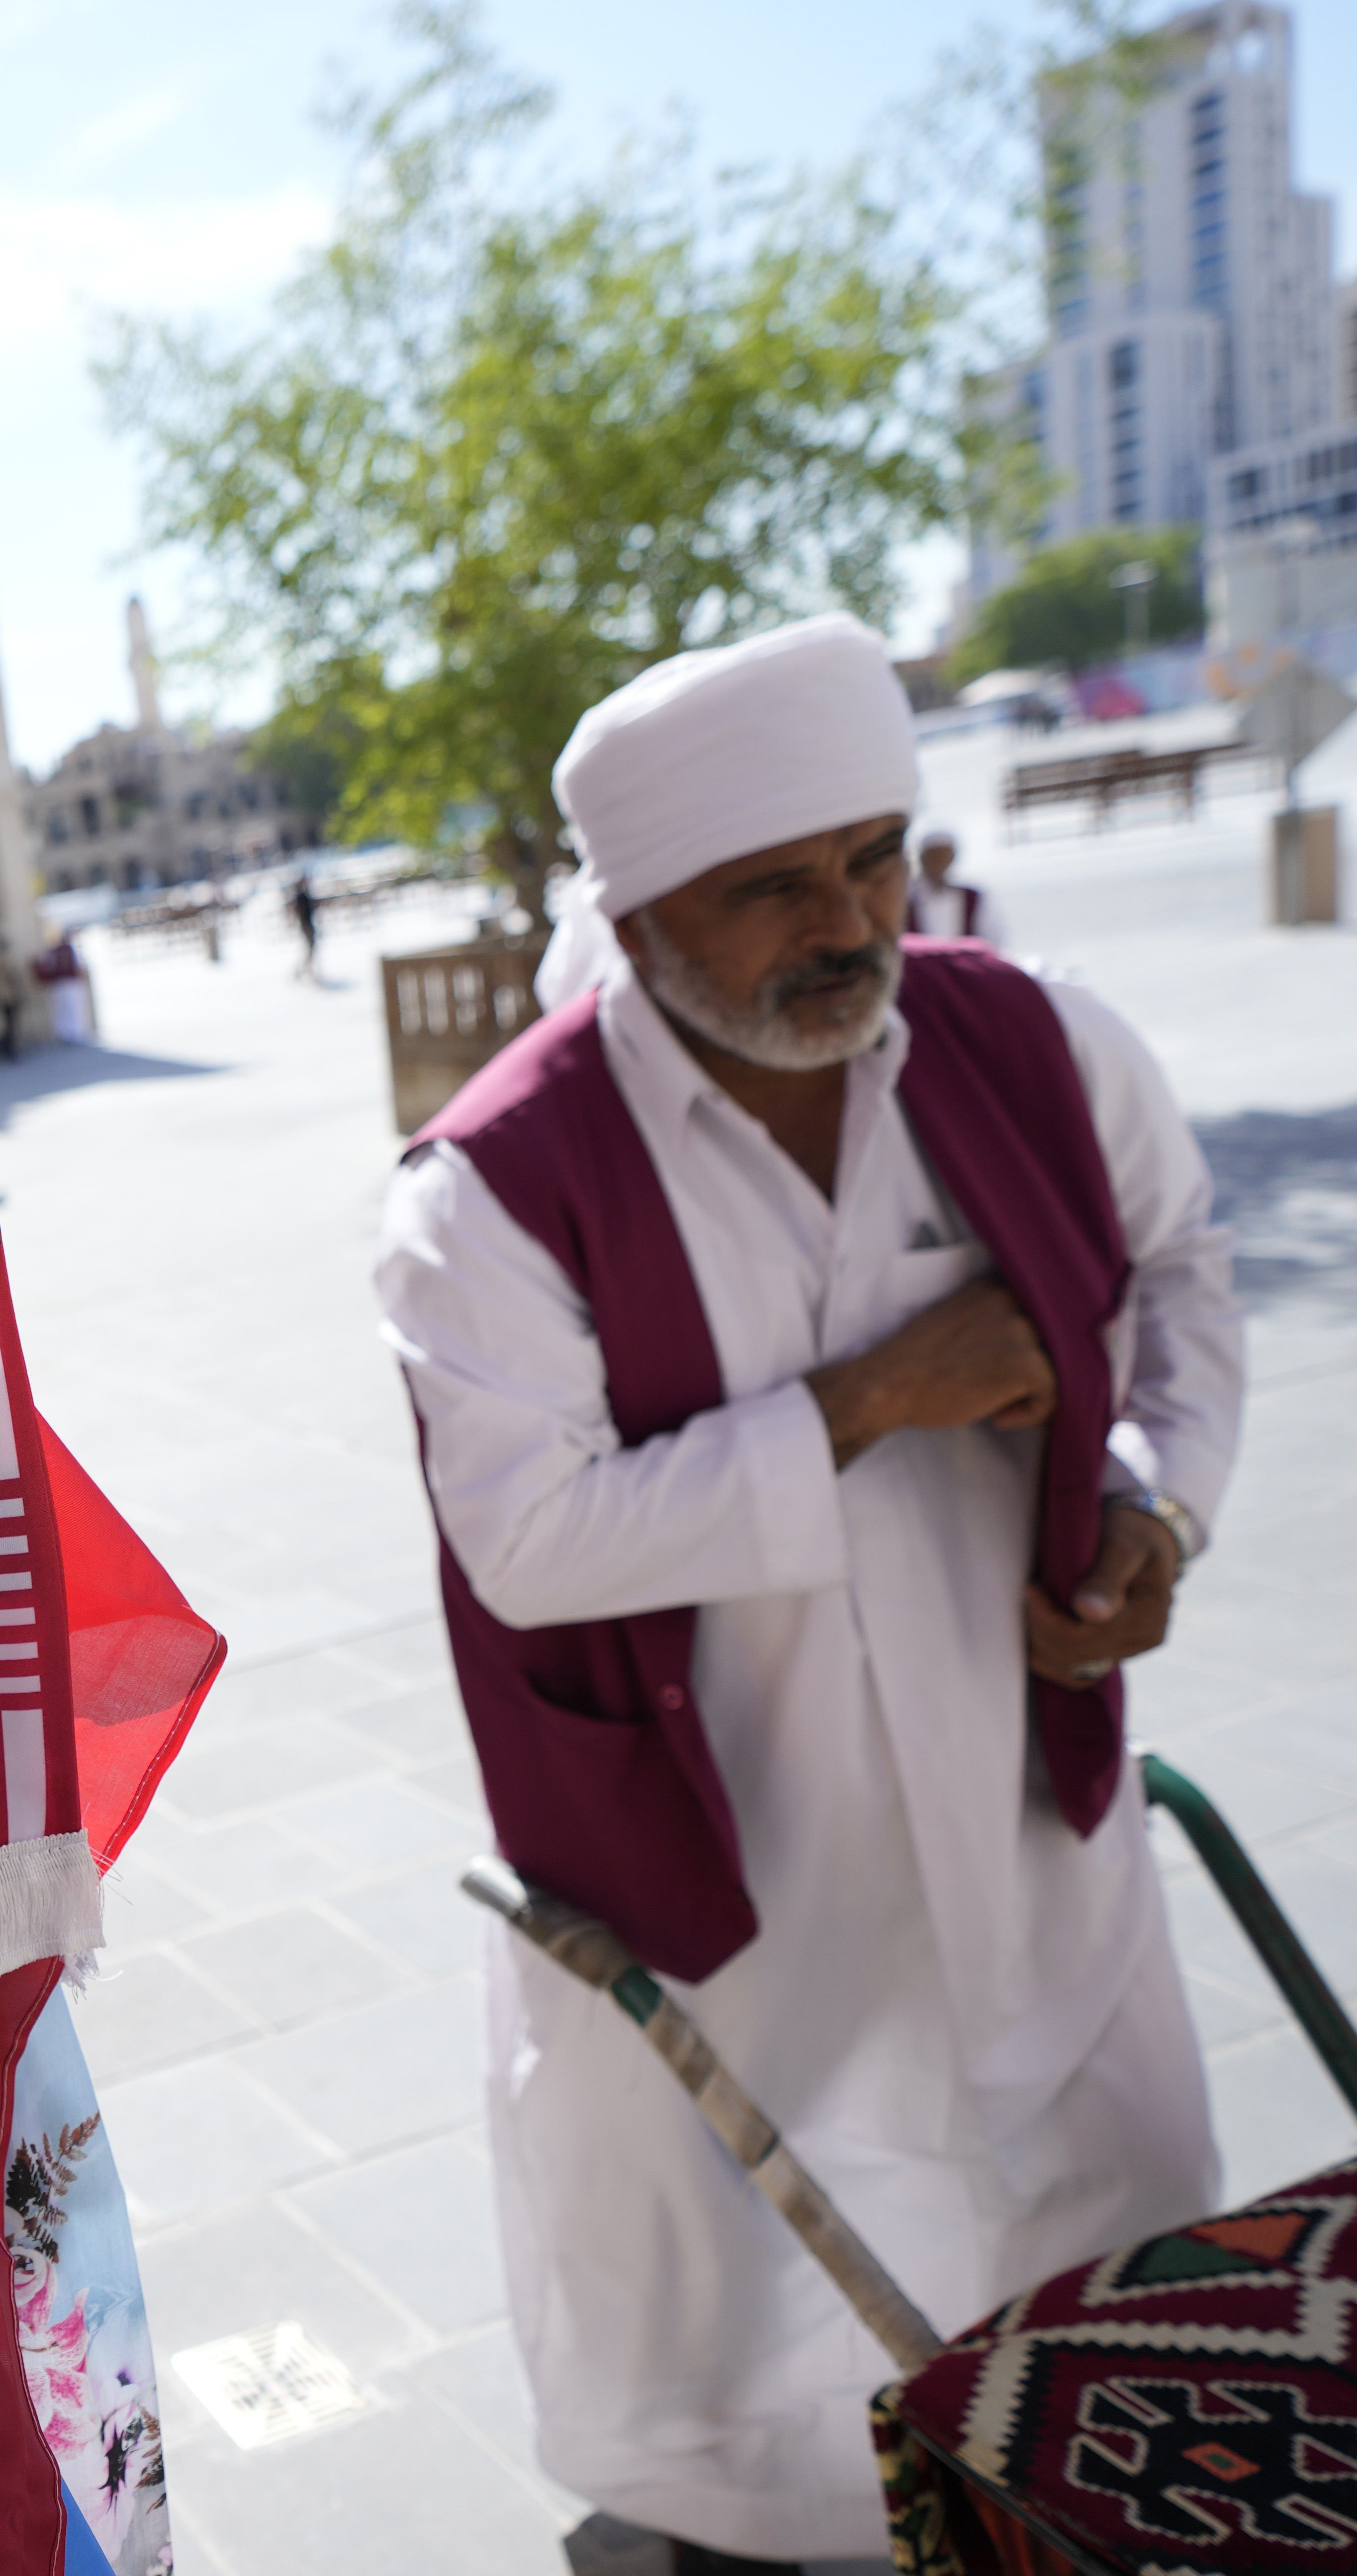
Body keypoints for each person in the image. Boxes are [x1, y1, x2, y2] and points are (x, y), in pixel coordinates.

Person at [378, 615, 1242, 2576]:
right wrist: (867, 1398)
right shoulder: (490, 1190)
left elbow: (1180, 1276)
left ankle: (1087, 2492)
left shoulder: (1028, 1037)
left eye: (869, 853)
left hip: (1024, 1785)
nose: (844, 919)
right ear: (634, 904)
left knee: (1089, 2210)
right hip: (727, 1822)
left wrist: (1156, 1513)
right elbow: (530, 1536)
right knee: (740, 2288)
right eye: (771, 885)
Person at [905, 819, 999, 946]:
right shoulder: (905, 899)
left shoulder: (973, 898)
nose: (939, 863)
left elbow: (992, 943)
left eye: (944, 856)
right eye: (934, 856)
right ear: (922, 858)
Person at [287, 868, 323, 982]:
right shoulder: (301, 897)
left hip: (308, 925)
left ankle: (305, 971)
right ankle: (304, 971)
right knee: (309, 949)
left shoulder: (304, 895)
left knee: (310, 949)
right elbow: (300, 912)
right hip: (306, 926)